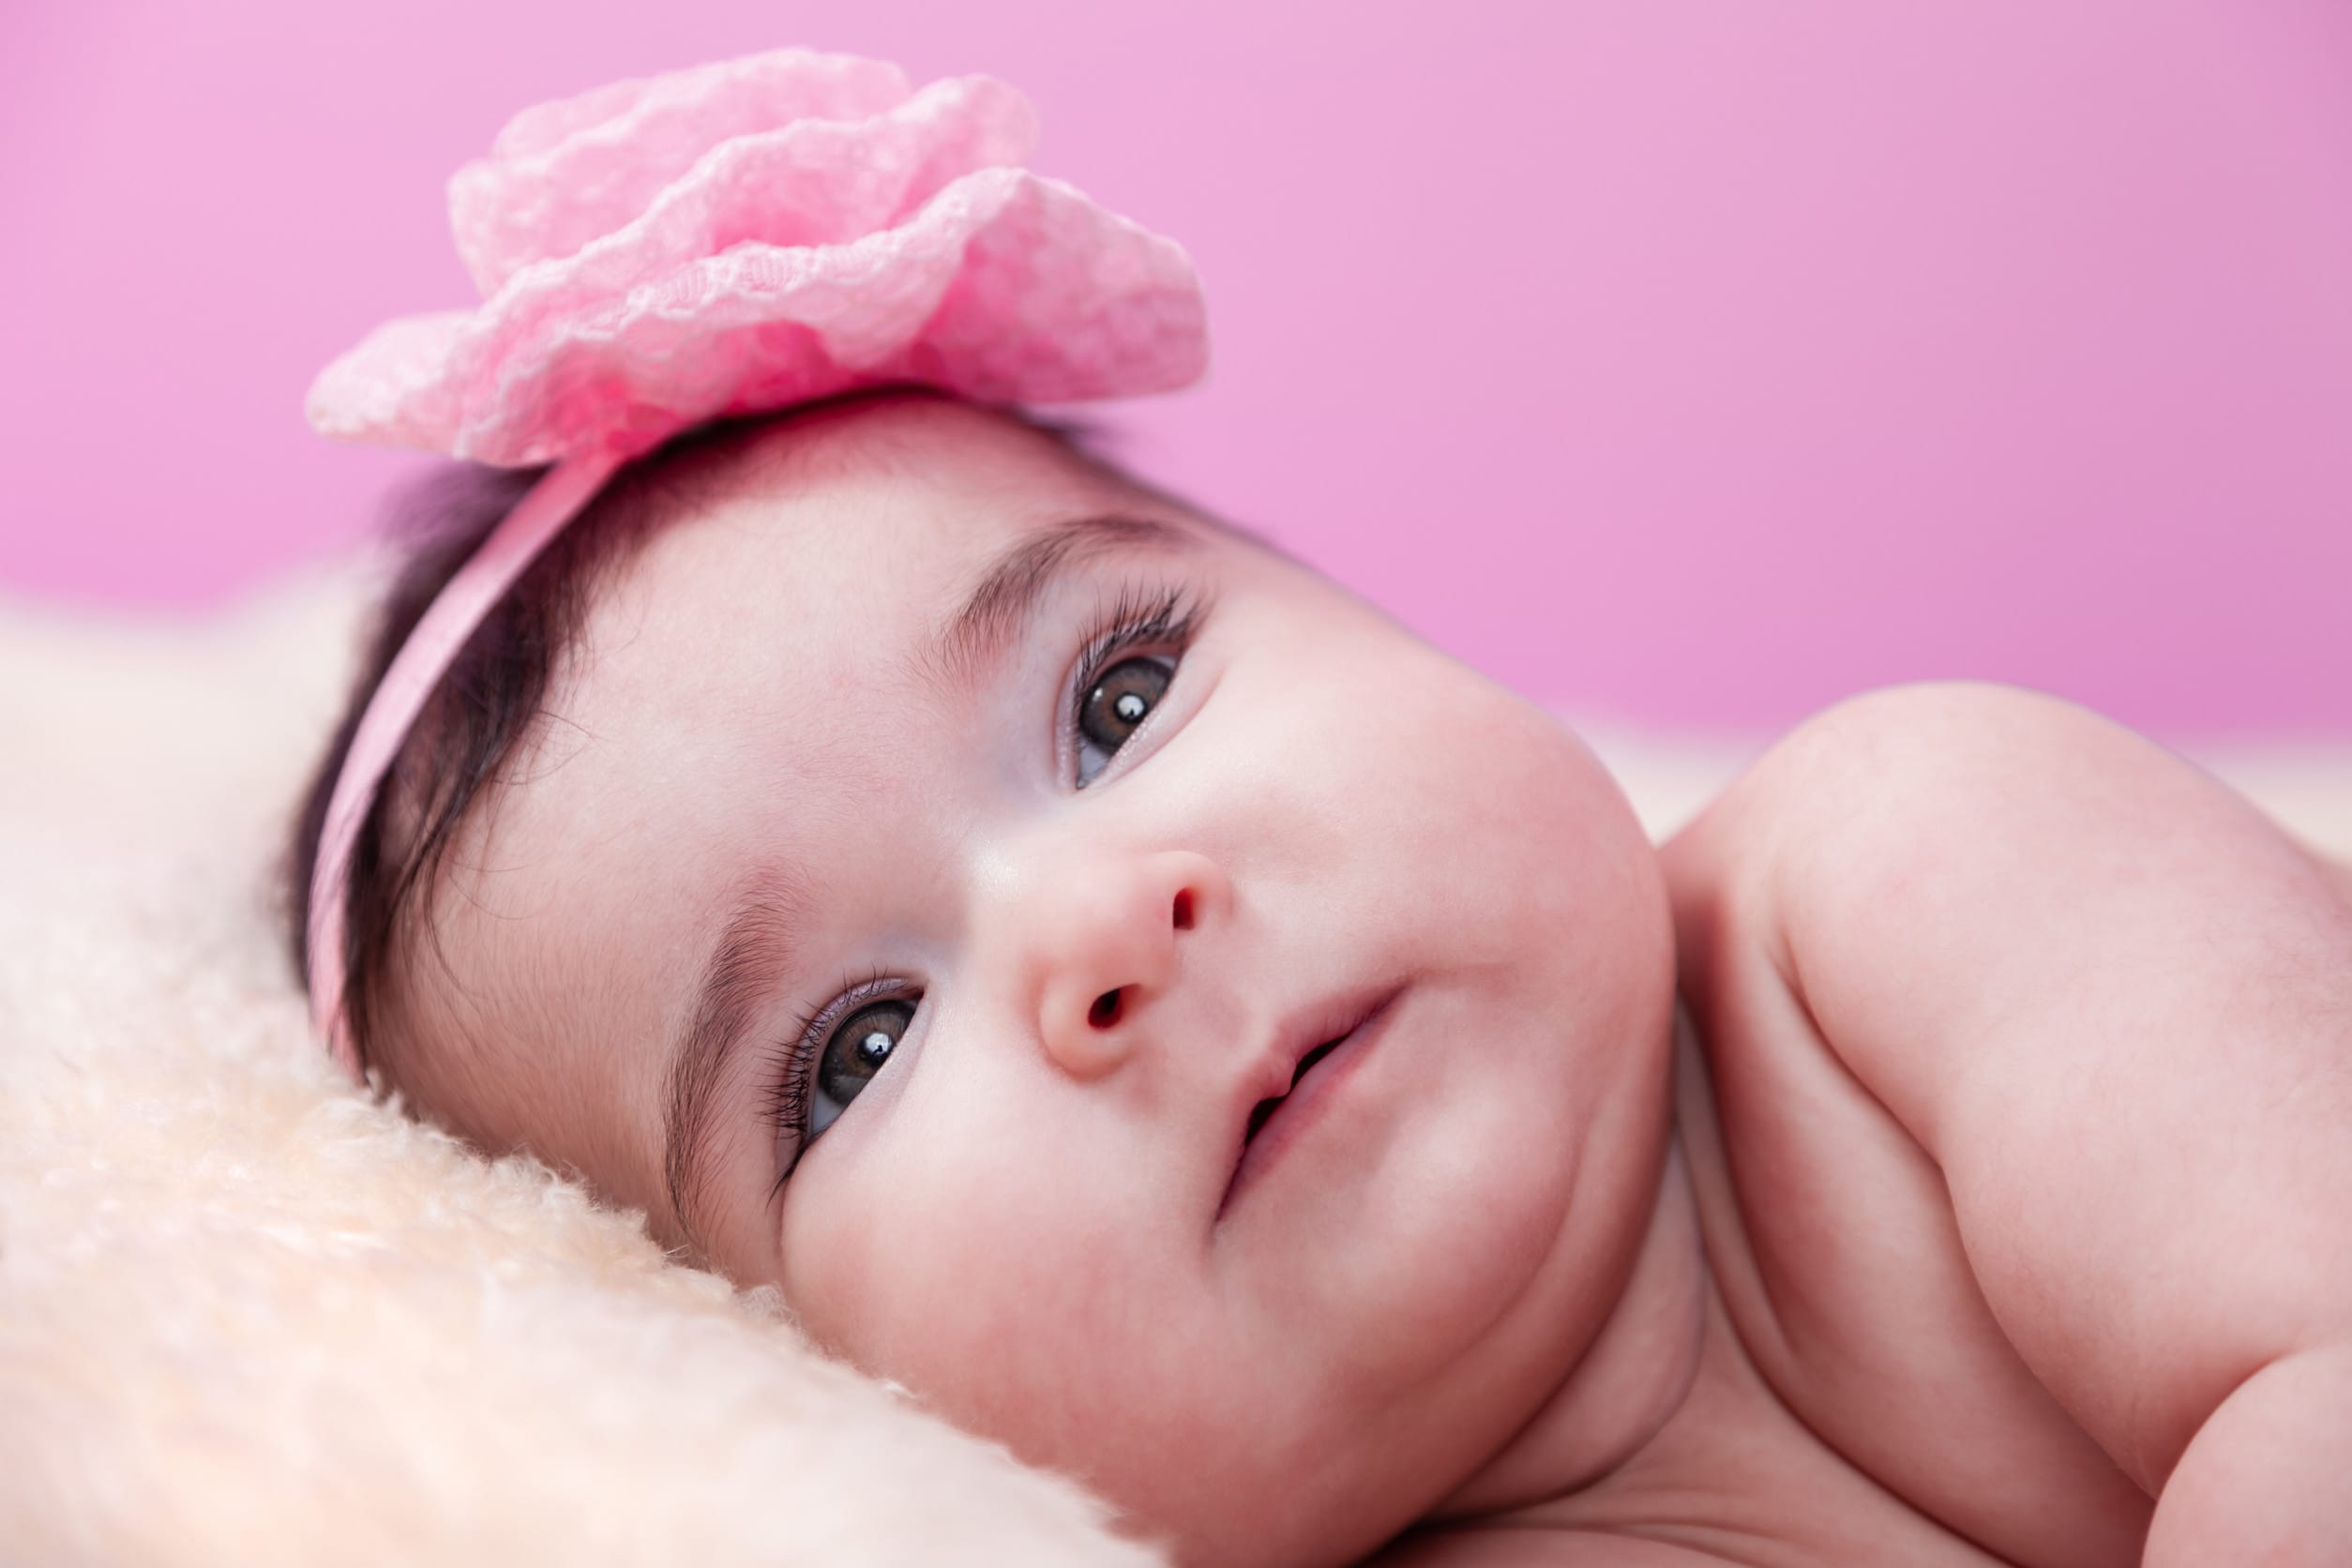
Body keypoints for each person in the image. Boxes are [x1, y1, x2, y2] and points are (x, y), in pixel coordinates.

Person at [288, 48, 2352, 1568]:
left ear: (1377, 613)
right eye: (855, 1047)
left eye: (1118, 695)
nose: (1101, 927)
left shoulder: (1919, 867)